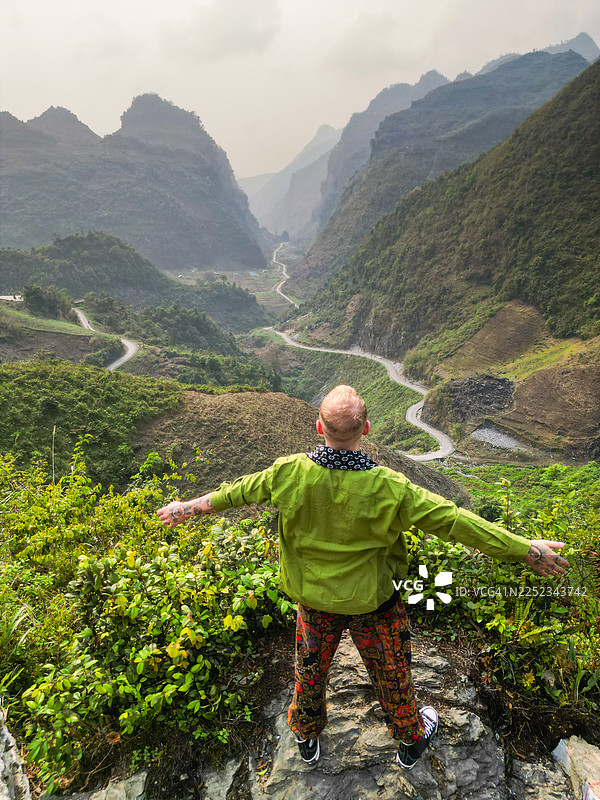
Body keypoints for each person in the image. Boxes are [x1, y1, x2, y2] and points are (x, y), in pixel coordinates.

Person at [156, 385, 569, 770]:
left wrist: (185, 507)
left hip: (314, 601)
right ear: (367, 430)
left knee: (310, 669)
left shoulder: (289, 473)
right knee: (392, 672)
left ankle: (305, 737)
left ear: (319, 427)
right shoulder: (390, 488)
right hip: (374, 602)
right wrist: (524, 550)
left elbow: (235, 493)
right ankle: (410, 740)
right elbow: (456, 522)